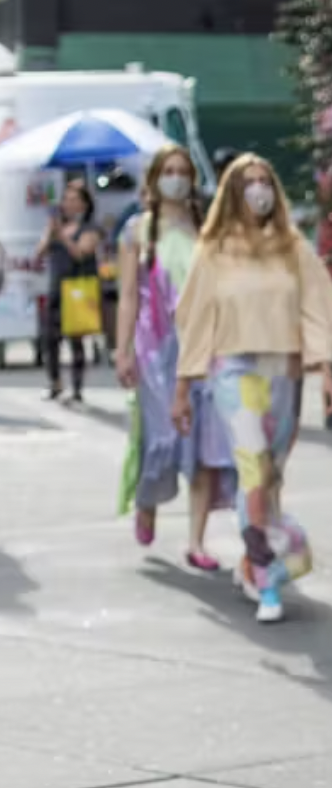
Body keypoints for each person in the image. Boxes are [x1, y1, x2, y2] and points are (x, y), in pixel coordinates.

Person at [173, 154, 332, 624]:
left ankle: (252, 560)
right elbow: (194, 318)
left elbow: (317, 306)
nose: (257, 190)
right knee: (253, 470)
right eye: (248, 182)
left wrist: (325, 367)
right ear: (232, 191)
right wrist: (184, 387)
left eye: (264, 180)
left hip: (284, 372)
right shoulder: (213, 249)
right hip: (233, 370)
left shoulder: (292, 246)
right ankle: (268, 577)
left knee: (271, 476)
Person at [114, 144, 235, 568]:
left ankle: (197, 541)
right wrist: (123, 350)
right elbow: (128, 296)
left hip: (203, 348)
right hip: (154, 349)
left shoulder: (207, 229)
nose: (176, 179)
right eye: (168, 171)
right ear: (154, 179)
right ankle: (146, 500)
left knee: (203, 445)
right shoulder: (137, 231)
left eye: (182, 171)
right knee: (161, 439)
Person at [37, 179, 103, 405]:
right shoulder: (57, 227)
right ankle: (55, 382)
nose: (68, 204)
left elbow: (81, 253)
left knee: (76, 341)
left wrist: (63, 236)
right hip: (56, 288)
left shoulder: (90, 229)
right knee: (49, 339)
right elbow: (40, 253)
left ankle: (77, 388)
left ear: (84, 204)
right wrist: (50, 233)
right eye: (66, 199)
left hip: (77, 291)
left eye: (74, 200)